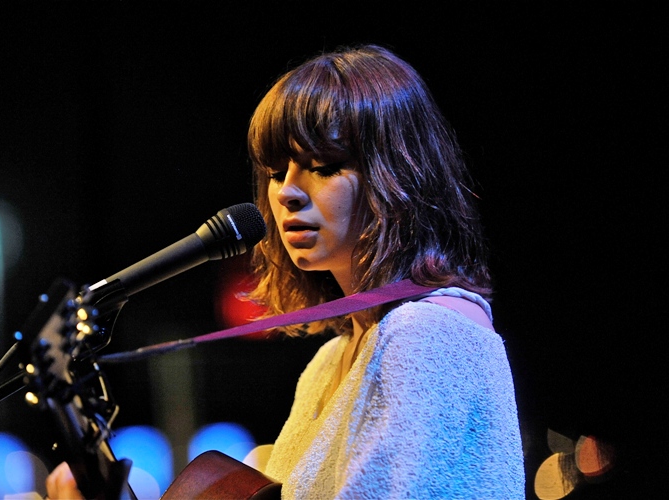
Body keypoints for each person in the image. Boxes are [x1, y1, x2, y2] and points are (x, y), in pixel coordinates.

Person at [47, 44, 524, 499]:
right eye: (276, 173)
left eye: (323, 165)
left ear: (400, 174)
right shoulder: (329, 363)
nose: (286, 193)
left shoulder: (430, 334)